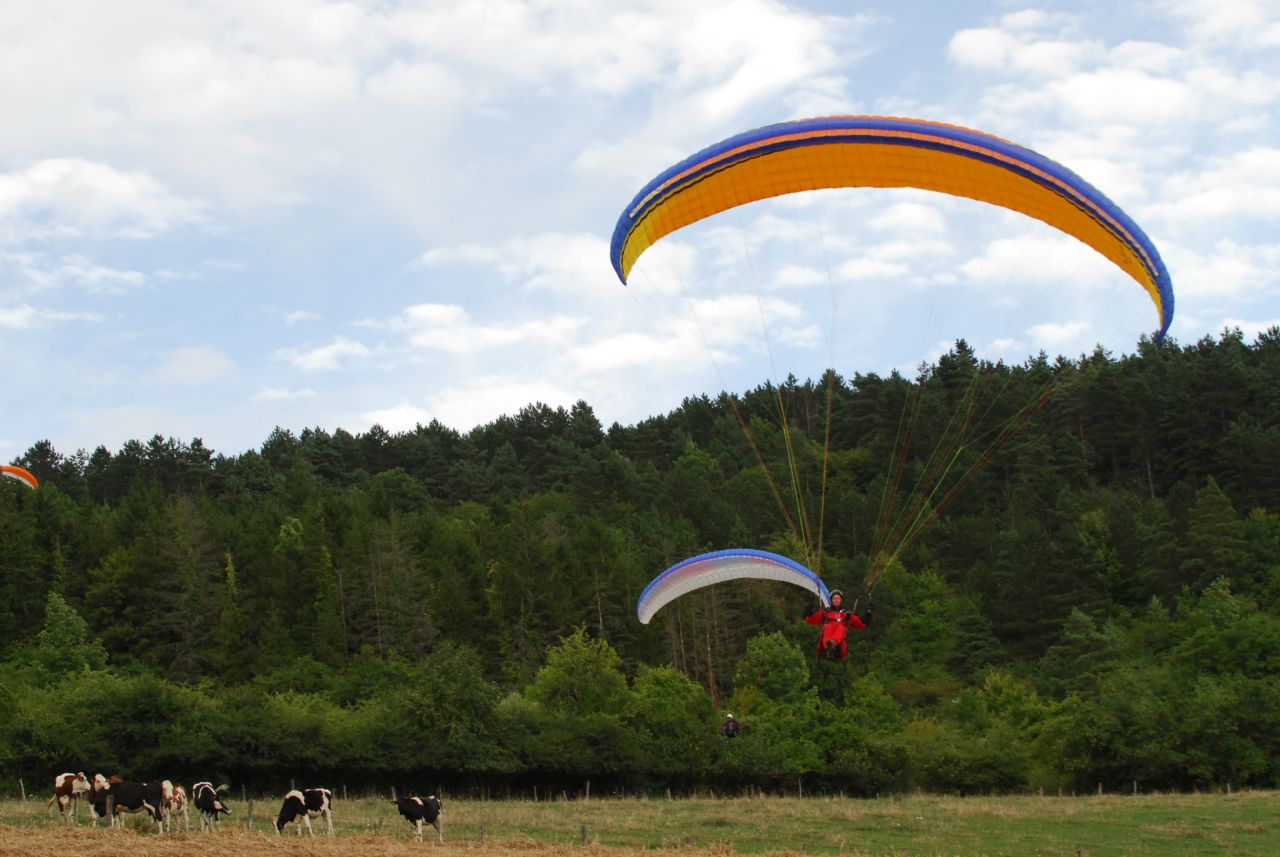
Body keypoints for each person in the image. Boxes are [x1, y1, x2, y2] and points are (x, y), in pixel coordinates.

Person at [804, 589, 870, 661]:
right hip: (823, 647)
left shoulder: (845, 614)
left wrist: (868, 613)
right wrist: (809, 604)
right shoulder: (825, 613)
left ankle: (832, 644)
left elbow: (862, 624)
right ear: (831, 600)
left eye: (838, 598)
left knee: (840, 628)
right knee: (827, 626)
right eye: (834, 598)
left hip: (839, 648)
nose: (836, 600)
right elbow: (809, 619)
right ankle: (828, 647)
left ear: (841, 600)